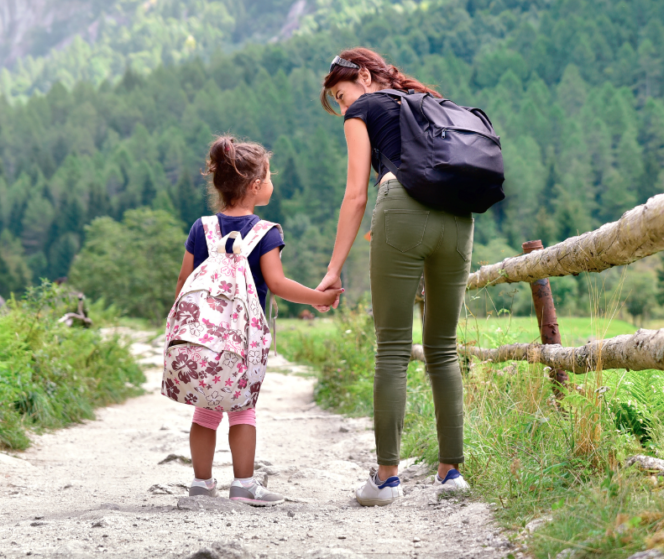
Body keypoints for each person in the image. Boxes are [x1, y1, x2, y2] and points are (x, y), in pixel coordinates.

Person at [315, 48, 474, 506]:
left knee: (392, 347)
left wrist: (333, 268)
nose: (344, 108)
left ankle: (386, 479)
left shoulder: (365, 109)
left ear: (364, 76)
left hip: (400, 208)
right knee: (443, 347)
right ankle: (451, 475)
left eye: (342, 96)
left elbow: (354, 195)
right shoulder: (430, 102)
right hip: (458, 217)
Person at [173, 136, 343, 505]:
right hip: (243, 342)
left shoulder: (200, 228)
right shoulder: (266, 232)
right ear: (254, 186)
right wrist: (319, 299)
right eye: (268, 176)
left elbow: (183, 284)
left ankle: (201, 484)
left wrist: (185, 330)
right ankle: (244, 484)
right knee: (242, 410)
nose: (271, 182)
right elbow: (278, 284)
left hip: (203, 338)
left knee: (206, 409)